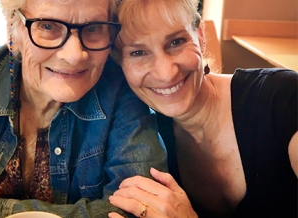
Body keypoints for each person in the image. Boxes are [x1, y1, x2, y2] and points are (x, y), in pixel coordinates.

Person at [0, 0, 168, 217]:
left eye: (93, 28)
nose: (74, 55)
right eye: (48, 26)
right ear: (14, 29)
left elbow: (141, 209)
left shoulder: (122, 94)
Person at [107, 0, 298, 217]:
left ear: (200, 36)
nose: (166, 73)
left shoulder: (283, 98)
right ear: (118, 62)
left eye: (176, 42)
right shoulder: (138, 139)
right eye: (138, 53)